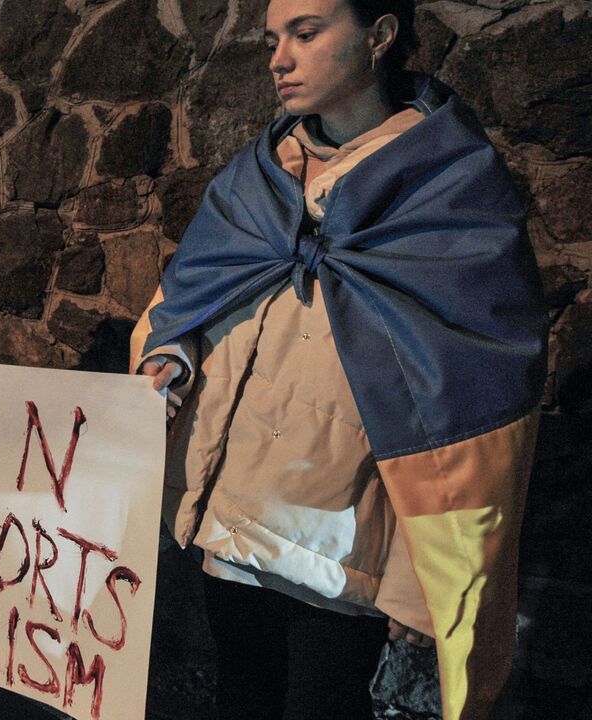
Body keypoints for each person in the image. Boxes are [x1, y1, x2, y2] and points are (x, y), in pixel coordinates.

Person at [131, 1, 546, 719]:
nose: (279, 58)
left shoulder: (449, 191)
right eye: (272, 39)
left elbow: (474, 407)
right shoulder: (256, 180)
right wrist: (170, 358)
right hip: (230, 523)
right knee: (240, 701)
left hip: (338, 552)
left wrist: (422, 590)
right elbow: (189, 300)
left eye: (307, 32)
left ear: (379, 36)